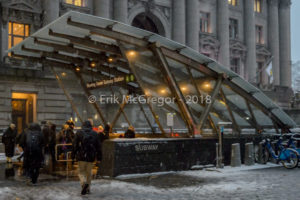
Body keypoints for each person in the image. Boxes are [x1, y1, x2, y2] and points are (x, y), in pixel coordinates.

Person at [72, 121, 102, 195]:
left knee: (81, 171)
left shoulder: (79, 133)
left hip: (81, 155)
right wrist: (99, 157)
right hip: (91, 156)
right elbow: (99, 147)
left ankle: (84, 183)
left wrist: (73, 155)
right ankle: (88, 188)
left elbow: (74, 145)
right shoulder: (95, 133)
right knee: (89, 173)